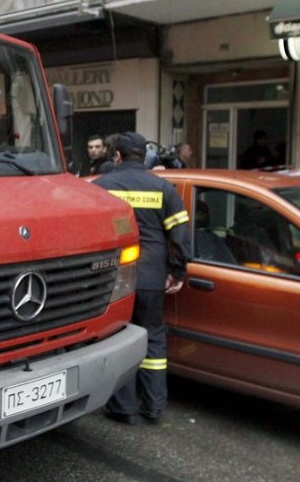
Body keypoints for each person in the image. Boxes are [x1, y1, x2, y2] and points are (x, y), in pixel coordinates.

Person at [93, 131, 191, 425]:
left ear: (118, 156)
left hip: (115, 278)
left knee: (119, 338)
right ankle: (153, 406)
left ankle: (123, 408)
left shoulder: (101, 187)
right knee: (154, 339)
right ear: (143, 156)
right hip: (151, 276)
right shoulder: (163, 188)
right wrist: (177, 271)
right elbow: (180, 236)